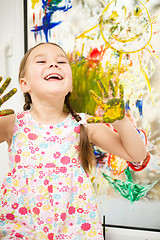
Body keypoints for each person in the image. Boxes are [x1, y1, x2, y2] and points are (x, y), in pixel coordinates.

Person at [0, 42, 147, 240]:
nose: (54, 65)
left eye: (61, 61)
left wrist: (121, 121)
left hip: (75, 231)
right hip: (22, 230)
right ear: (25, 84)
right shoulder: (12, 123)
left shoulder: (85, 124)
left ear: (69, 85)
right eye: (42, 61)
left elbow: (137, 155)